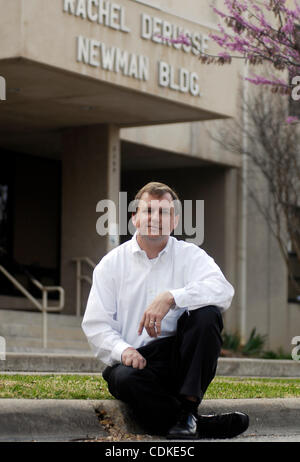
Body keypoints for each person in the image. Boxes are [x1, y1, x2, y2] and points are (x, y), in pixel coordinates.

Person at [82, 182, 249, 439]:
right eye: (148, 211)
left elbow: (223, 290)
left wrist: (173, 297)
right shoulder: (111, 265)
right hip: (138, 364)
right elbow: (96, 325)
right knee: (122, 379)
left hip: (180, 361)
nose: (155, 219)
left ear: (175, 222)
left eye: (164, 213)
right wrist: (123, 350)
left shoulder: (189, 256)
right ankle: (192, 422)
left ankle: (190, 407)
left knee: (207, 315)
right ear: (135, 218)